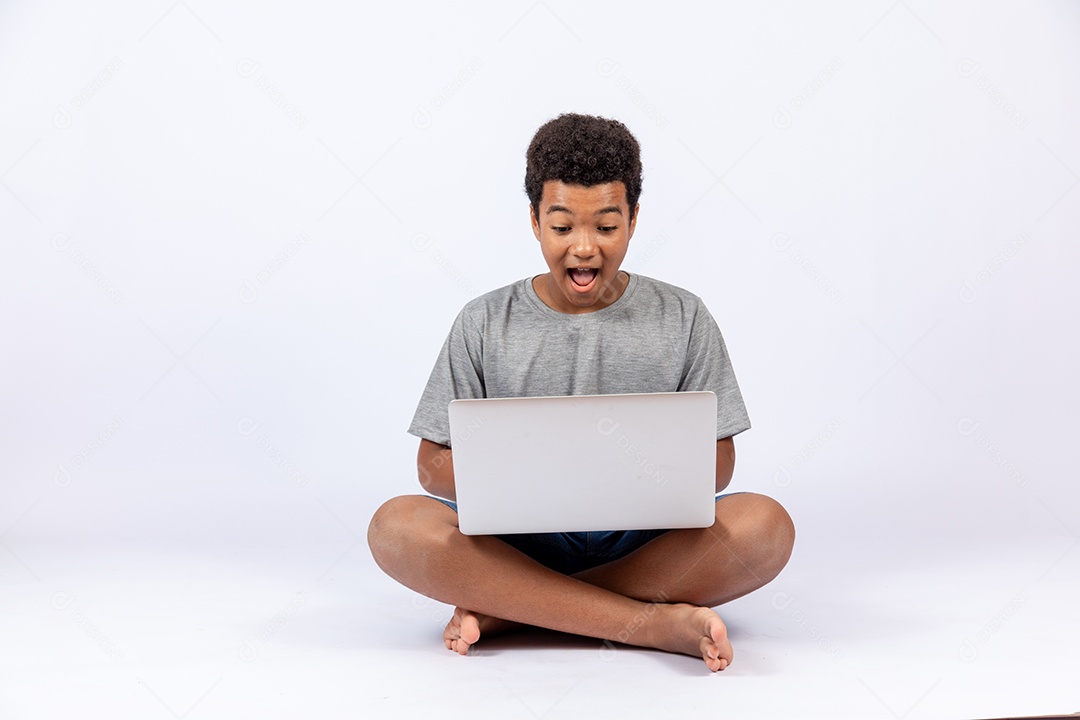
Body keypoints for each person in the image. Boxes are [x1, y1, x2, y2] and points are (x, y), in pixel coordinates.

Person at [367, 113, 795, 672]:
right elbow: (430, 468)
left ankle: (513, 609)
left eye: (607, 227)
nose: (584, 249)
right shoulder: (482, 321)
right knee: (396, 527)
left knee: (765, 527)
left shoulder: (684, 316)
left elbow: (719, 467)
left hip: (646, 542)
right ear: (535, 220)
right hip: (519, 542)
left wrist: (629, 472)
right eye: (563, 227)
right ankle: (652, 625)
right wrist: (531, 467)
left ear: (635, 220)